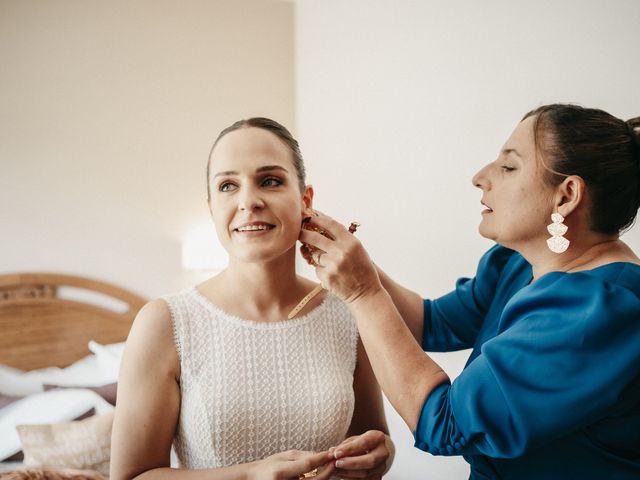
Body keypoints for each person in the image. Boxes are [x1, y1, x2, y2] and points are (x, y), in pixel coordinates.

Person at [300, 104, 640, 479]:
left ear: (566, 195)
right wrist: (354, 261)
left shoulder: (600, 314)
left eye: (508, 167)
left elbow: (444, 425)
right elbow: (433, 323)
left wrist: (363, 294)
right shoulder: (517, 263)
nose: (479, 178)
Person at [110, 118, 394, 480]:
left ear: (305, 200)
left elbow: (372, 439)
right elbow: (131, 477)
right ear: (212, 206)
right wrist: (248, 476)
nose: (249, 201)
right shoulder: (166, 322)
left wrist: (381, 455)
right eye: (228, 185)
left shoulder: (348, 313)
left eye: (270, 181)